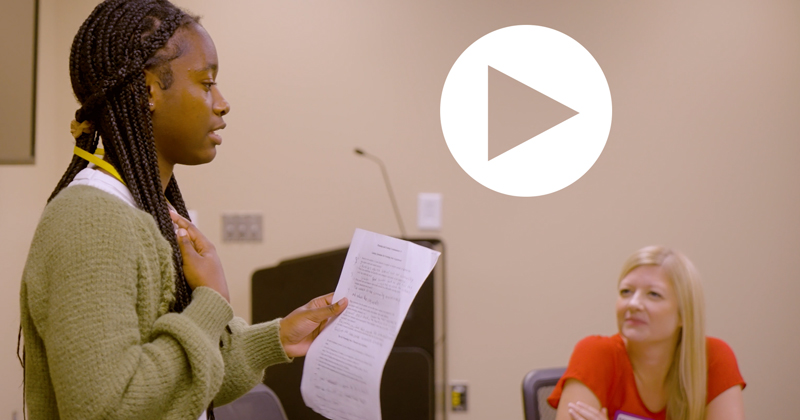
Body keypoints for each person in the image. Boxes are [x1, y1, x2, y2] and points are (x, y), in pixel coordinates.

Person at [18, 1, 346, 419]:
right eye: (206, 83)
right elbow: (108, 408)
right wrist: (209, 300)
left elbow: (175, 387)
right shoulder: (92, 220)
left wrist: (279, 337)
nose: (223, 103)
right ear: (149, 89)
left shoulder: (141, 211)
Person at [547, 246, 745, 420]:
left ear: (684, 314)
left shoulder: (713, 358)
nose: (633, 304)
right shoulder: (594, 353)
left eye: (654, 294)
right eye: (626, 291)